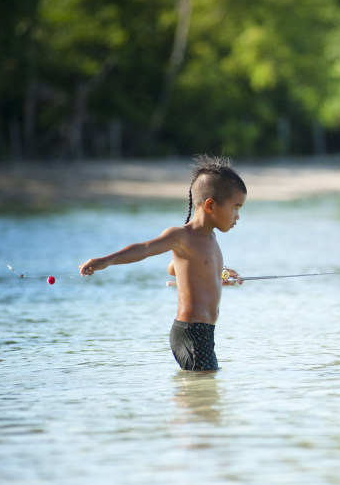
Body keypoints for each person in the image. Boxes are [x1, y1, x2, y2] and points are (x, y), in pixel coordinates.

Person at [78, 156, 247, 371]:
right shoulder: (181, 236)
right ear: (211, 205)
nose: (237, 216)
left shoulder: (211, 239)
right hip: (191, 332)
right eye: (235, 208)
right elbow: (145, 249)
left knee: (204, 393)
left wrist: (217, 275)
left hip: (204, 333)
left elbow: (175, 268)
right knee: (203, 387)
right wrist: (107, 260)